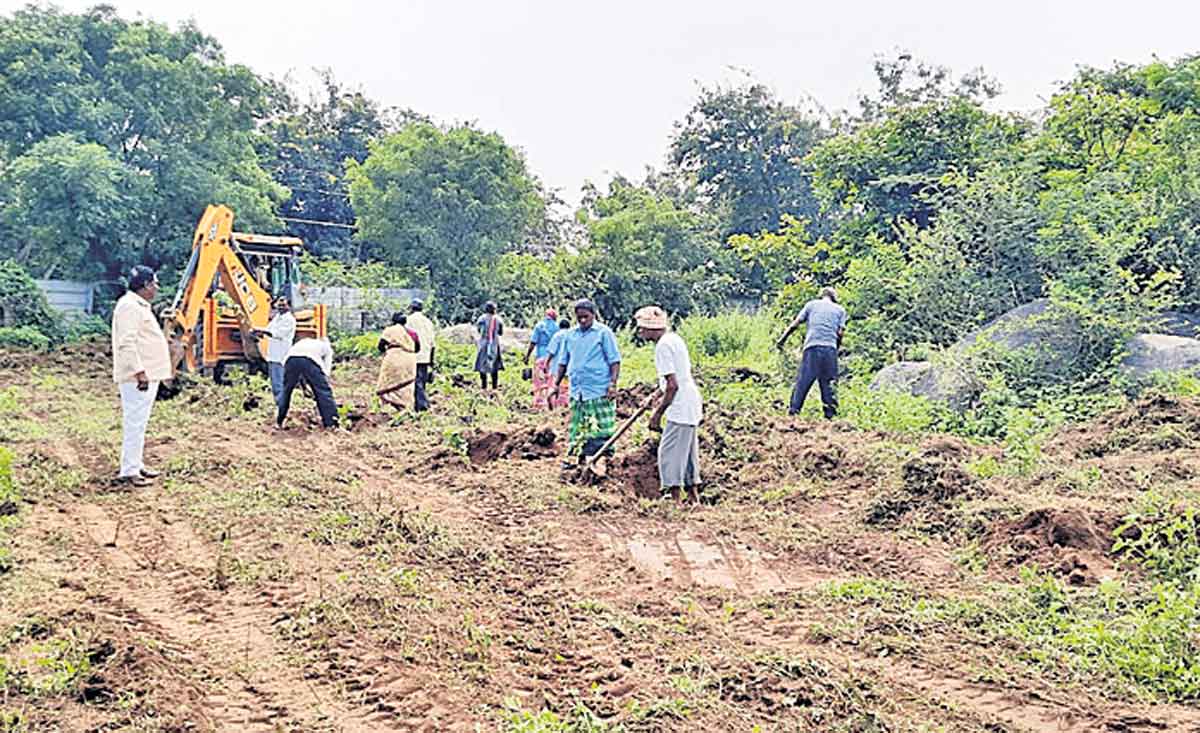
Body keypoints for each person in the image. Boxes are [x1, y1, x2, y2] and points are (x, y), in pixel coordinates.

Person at [111, 266, 172, 487]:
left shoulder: (137, 305)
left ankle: (135, 464)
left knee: (140, 422)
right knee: (135, 422)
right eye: (155, 283)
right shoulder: (130, 306)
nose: (157, 288)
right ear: (145, 285)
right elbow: (126, 342)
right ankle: (129, 471)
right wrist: (139, 371)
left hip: (146, 373)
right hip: (138, 376)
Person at [636, 305, 703, 501]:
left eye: (642, 328)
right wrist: (654, 395)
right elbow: (672, 380)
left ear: (651, 327)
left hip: (681, 405)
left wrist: (657, 415)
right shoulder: (674, 339)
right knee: (688, 452)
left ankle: (675, 501)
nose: (640, 332)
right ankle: (693, 497)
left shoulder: (662, 347)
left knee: (669, 453)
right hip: (690, 401)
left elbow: (673, 385)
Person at [555, 299, 621, 465]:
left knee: (601, 426)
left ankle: (604, 460)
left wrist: (613, 384)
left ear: (593, 314)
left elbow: (614, 360)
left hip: (598, 388)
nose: (583, 320)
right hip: (578, 390)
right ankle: (579, 458)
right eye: (579, 318)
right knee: (578, 426)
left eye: (586, 317)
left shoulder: (603, 333)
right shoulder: (570, 335)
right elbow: (563, 361)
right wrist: (555, 384)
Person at [776, 287, 848, 419]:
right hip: (830, 349)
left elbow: (795, 324)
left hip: (812, 347)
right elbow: (840, 333)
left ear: (822, 295)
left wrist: (781, 340)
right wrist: (835, 348)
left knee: (803, 380)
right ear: (834, 297)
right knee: (829, 384)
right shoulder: (840, 310)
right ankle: (831, 417)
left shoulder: (811, 305)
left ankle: (793, 412)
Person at [276, 337, 338, 429]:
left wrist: (304, 386)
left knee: (286, 391)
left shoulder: (304, 341)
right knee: (323, 392)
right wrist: (323, 383)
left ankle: (279, 421)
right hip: (309, 360)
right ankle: (331, 423)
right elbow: (326, 371)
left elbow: (298, 366)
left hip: (290, 360)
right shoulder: (327, 347)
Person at [251, 296, 296, 410]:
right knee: (275, 384)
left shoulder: (289, 320)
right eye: (279, 305)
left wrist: (260, 330)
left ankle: (282, 407)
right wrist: (258, 333)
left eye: (283, 305)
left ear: (289, 306)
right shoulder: (277, 317)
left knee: (279, 383)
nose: (280, 307)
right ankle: (279, 405)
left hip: (281, 356)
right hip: (273, 355)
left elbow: (276, 333)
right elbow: (268, 329)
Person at [376, 312, 419, 411]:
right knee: (407, 383)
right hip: (409, 359)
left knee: (389, 382)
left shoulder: (389, 331)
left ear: (393, 321)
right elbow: (417, 348)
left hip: (393, 358)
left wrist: (389, 351)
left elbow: (381, 346)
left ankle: (389, 405)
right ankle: (405, 406)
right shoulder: (412, 333)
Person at [525, 308, 560, 410]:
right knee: (551, 382)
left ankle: (539, 404)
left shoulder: (539, 326)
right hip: (553, 359)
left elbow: (533, 342)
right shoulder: (557, 327)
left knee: (539, 382)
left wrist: (527, 356)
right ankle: (551, 404)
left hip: (540, 357)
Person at [407, 298, 436, 411]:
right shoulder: (428, 322)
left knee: (416, 381)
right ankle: (418, 405)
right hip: (425, 355)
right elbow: (432, 343)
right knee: (422, 381)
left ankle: (423, 405)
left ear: (412, 308)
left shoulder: (408, 321)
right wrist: (432, 361)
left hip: (413, 354)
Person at [474, 301, 503, 390]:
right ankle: (494, 387)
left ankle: (484, 387)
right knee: (494, 366)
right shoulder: (498, 320)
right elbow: (500, 332)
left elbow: (479, 330)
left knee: (482, 366)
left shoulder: (481, 319)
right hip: (494, 345)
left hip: (483, 344)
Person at [544, 317, 572, 408]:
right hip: (569, 368)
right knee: (565, 389)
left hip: (557, 368)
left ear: (560, 326)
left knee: (555, 386)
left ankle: (553, 405)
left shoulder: (557, 336)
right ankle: (563, 407)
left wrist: (546, 363)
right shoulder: (572, 335)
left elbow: (552, 351)